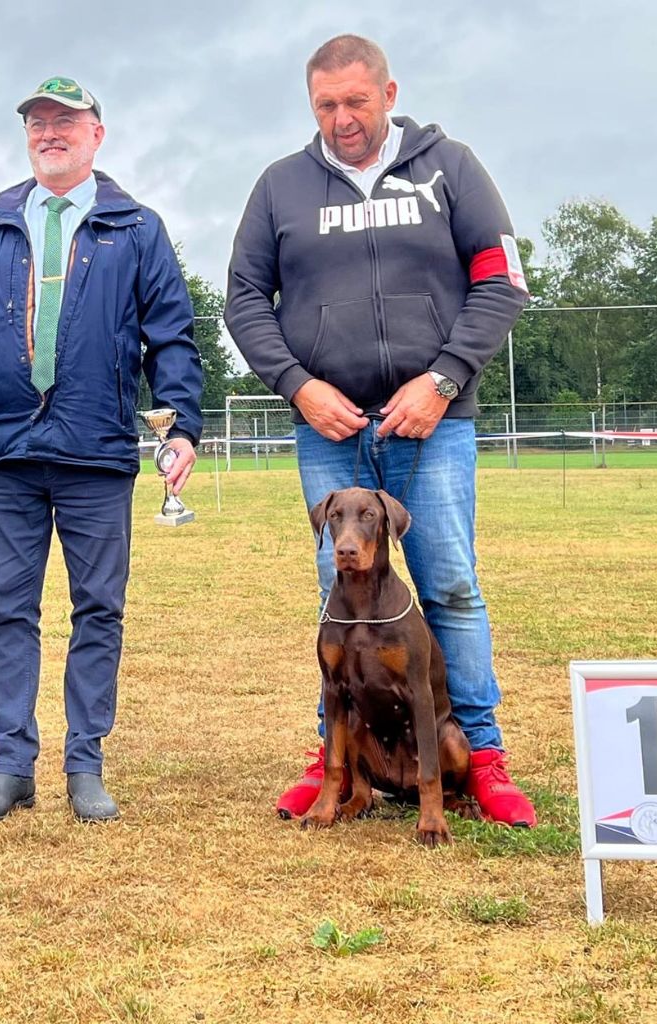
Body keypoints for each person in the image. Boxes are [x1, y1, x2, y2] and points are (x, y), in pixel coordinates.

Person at [225, 35, 536, 827]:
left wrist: (443, 380)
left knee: (451, 586)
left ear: (389, 92)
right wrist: (297, 386)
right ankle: (336, 757)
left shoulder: (451, 168)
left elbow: (501, 284)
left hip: (431, 422)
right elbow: (244, 302)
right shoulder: (279, 187)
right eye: (325, 105)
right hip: (328, 427)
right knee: (340, 591)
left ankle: (484, 756)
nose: (342, 119)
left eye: (356, 102)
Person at [0, 77, 203, 824]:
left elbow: (171, 336)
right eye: (37, 121)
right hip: (6, 454)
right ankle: (11, 766)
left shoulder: (138, 229)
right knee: (7, 612)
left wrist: (183, 423)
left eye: (66, 121)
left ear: (98, 134)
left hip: (96, 452)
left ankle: (85, 764)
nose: (49, 132)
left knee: (98, 610)